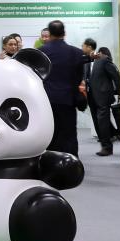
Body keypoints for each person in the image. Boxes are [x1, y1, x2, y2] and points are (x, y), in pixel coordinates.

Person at [39, 20, 87, 157]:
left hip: (47, 101)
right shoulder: (76, 53)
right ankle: (71, 163)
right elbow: (79, 78)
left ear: (49, 33)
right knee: (69, 135)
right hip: (68, 100)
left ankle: (50, 162)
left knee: (50, 134)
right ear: (64, 33)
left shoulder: (41, 52)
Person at [87, 45, 120, 156]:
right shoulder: (88, 63)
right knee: (99, 122)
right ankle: (113, 135)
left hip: (103, 96)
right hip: (92, 97)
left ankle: (107, 148)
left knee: (103, 121)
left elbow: (116, 76)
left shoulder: (104, 60)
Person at [98, 47, 120, 140]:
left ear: (104, 54)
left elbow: (116, 78)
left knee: (116, 114)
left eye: (99, 53)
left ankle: (119, 133)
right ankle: (116, 133)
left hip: (113, 93)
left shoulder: (107, 64)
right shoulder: (107, 63)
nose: (98, 55)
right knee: (112, 114)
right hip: (112, 93)